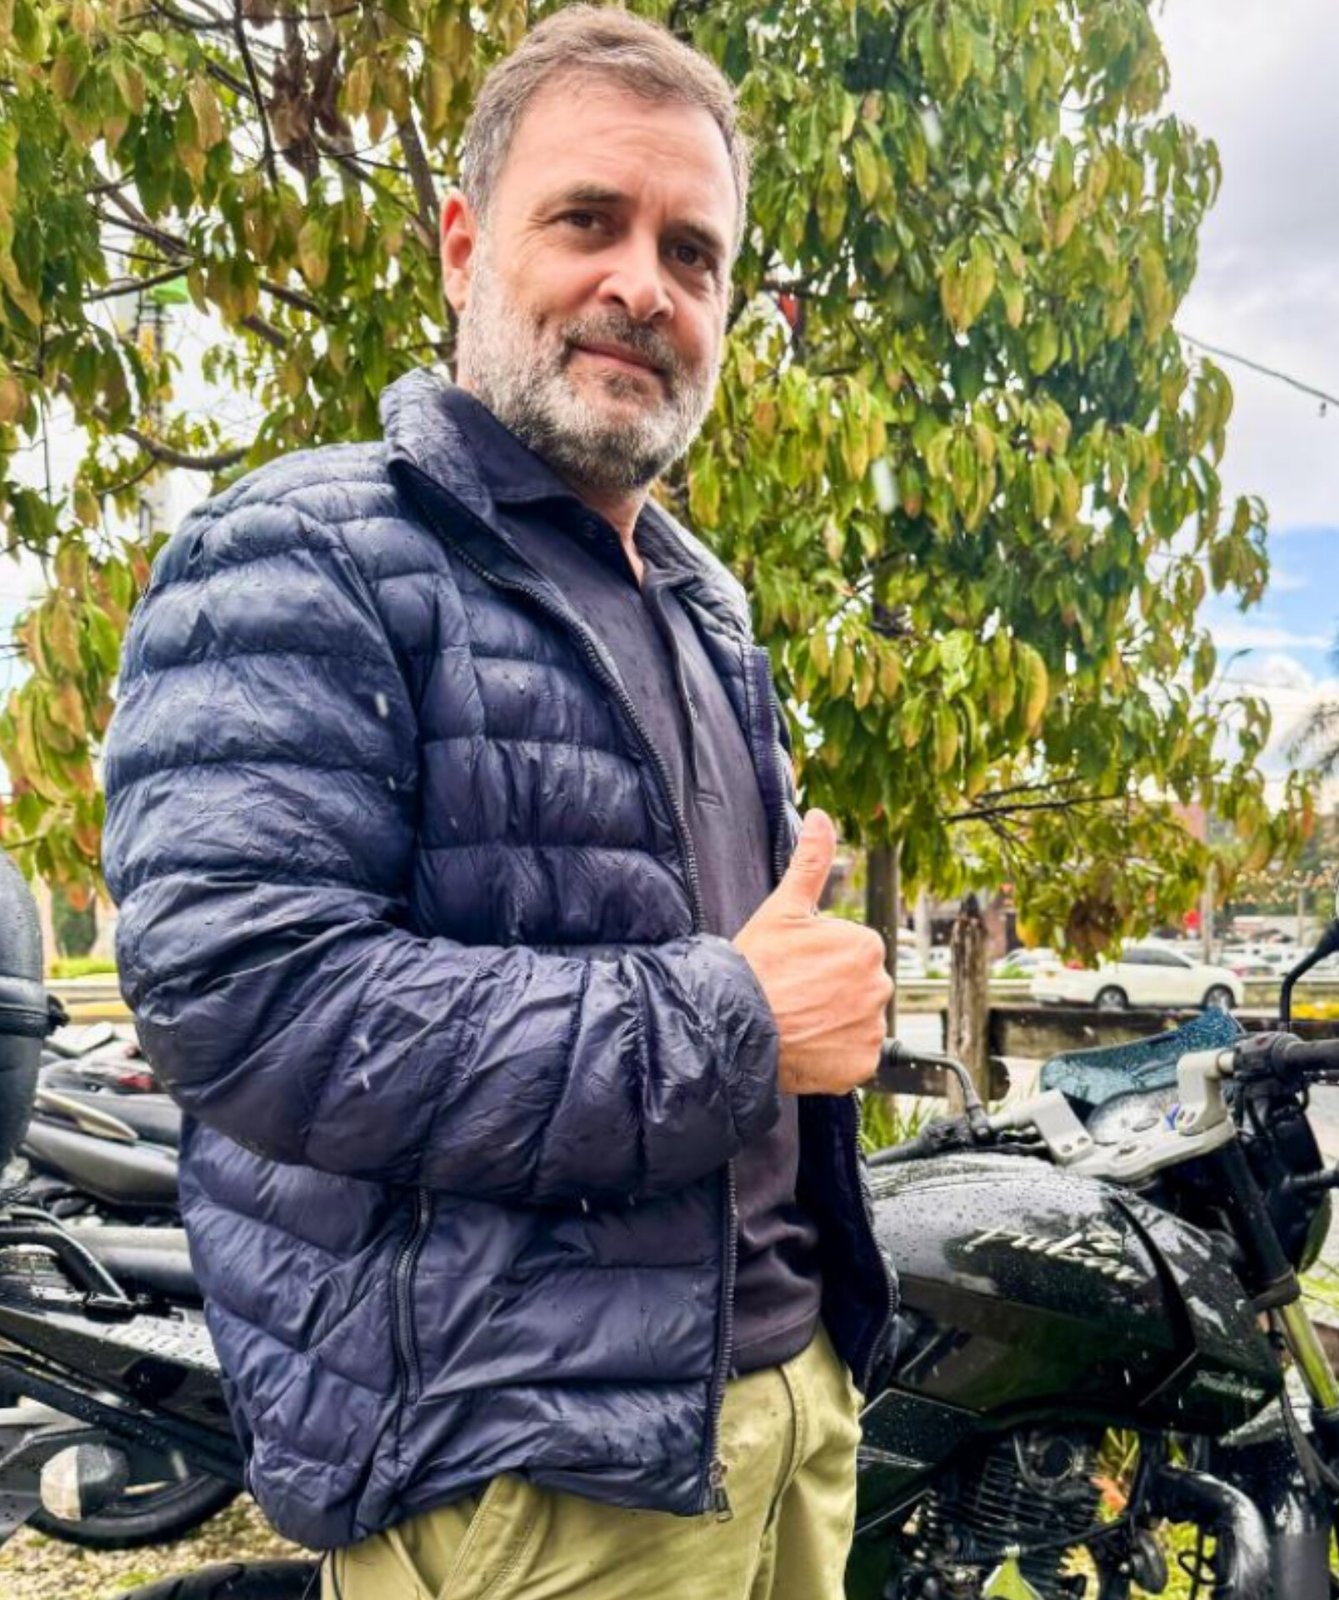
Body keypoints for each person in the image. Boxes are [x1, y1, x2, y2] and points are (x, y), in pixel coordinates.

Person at [100, 10, 897, 1599]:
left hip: (781, 1408)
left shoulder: (704, 606)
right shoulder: (308, 551)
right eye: (589, 220)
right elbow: (241, 998)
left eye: (693, 253)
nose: (643, 287)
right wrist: (734, 1019)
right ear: (465, 245)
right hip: (524, 1485)